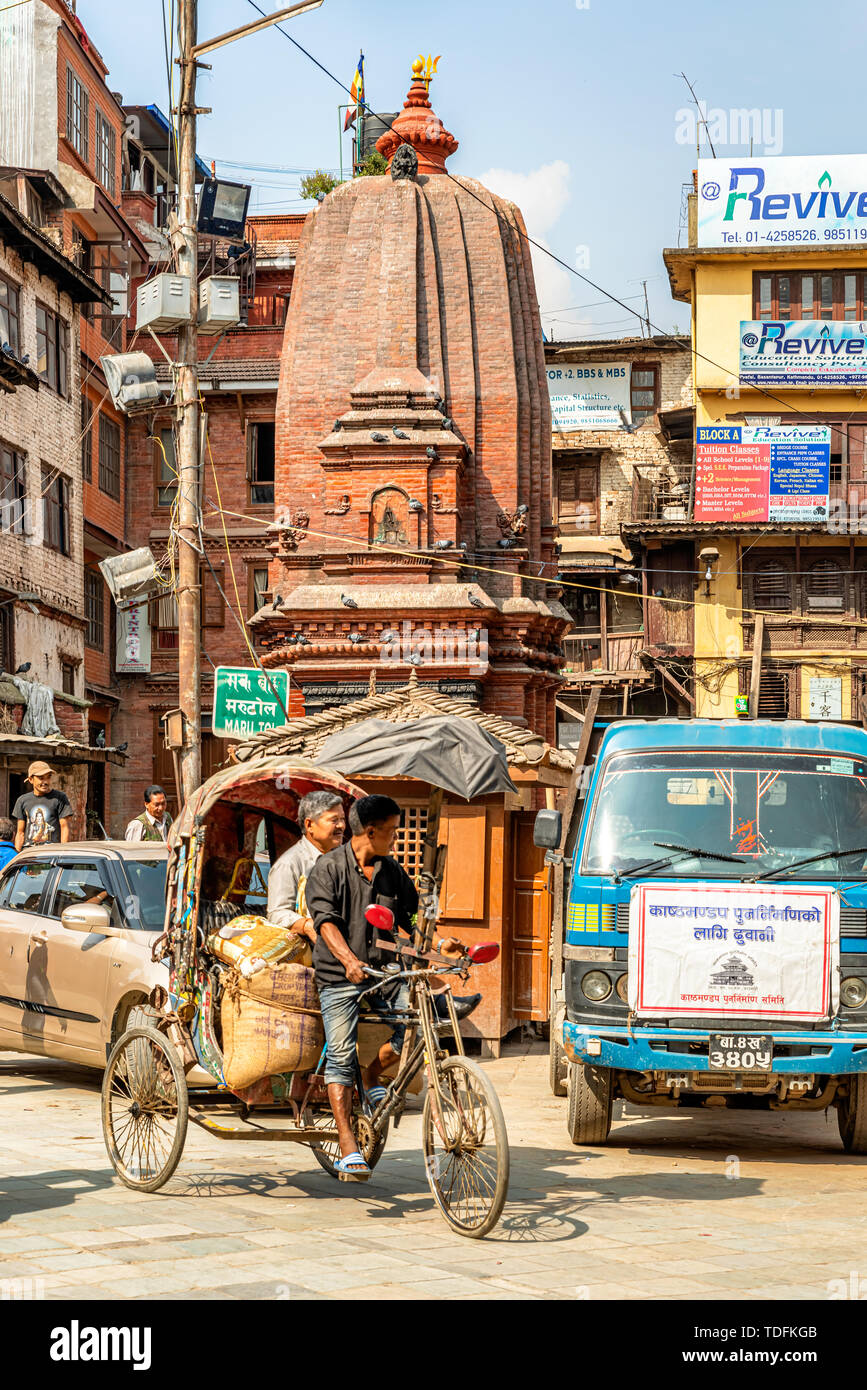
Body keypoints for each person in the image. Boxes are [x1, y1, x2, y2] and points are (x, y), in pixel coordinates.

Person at [305, 793, 464, 1181]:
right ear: (371, 831)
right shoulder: (327, 869)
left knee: (413, 1024)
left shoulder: (392, 870)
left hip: (386, 973)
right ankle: (348, 1146)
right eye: (392, 831)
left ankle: (373, 1075)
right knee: (341, 1056)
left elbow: (412, 919)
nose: (396, 838)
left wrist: (440, 944)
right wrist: (348, 961)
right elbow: (325, 923)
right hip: (341, 976)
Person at [266, 789, 346, 944]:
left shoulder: (344, 859)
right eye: (334, 820)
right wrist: (308, 925)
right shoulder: (289, 864)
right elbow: (277, 913)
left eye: (342, 819)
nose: (341, 825)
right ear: (309, 825)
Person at [13, 762, 73, 850]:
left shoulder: (59, 798)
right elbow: (20, 832)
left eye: (48, 777)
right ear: (31, 780)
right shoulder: (22, 800)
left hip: (50, 853)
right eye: (41, 778)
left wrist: (62, 853)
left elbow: (64, 827)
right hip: (29, 853)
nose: (45, 782)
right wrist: (17, 856)